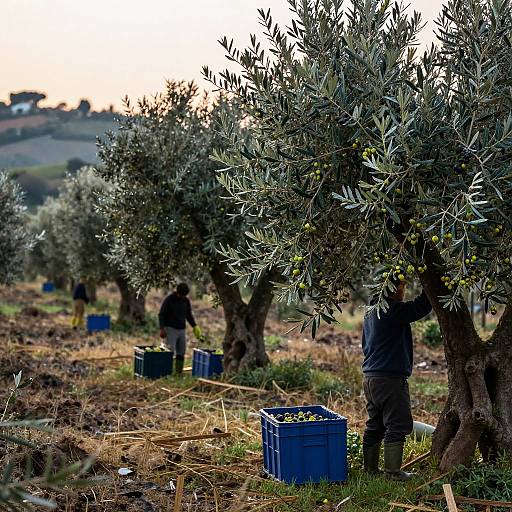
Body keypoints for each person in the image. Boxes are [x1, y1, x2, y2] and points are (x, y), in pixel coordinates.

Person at [361, 279, 432, 480]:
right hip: (390, 379)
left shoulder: (371, 311)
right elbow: (420, 307)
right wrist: (433, 284)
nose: (403, 291)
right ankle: (392, 472)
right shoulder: (391, 310)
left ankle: (370, 470)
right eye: (402, 286)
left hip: (370, 378)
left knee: (375, 424)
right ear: (392, 288)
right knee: (397, 424)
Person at [159, 283, 202, 375]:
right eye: (181, 294)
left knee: (181, 352)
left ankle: (178, 372)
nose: (182, 296)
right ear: (177, 292)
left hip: (181, 330)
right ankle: (166, 372)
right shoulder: (169, 300)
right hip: (170, 329)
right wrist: (162, 328)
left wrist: (194, 326)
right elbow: (161, 314)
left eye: (184, 295)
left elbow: (188, 315)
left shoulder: (185, 301)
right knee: (169, 351)